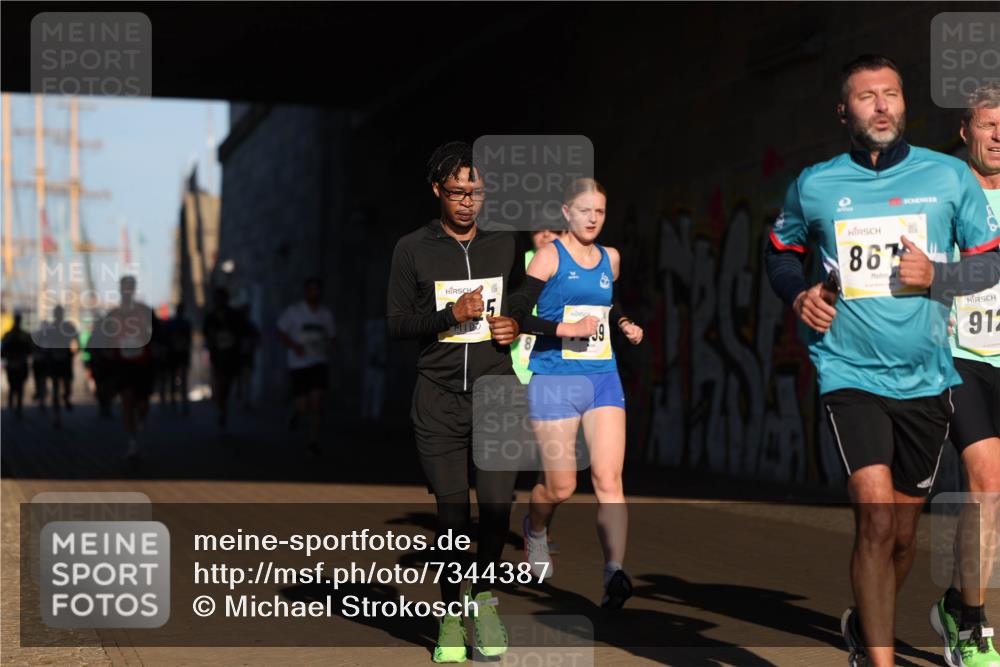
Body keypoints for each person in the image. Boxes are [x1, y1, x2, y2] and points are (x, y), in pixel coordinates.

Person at [764, 55, 1000, 667]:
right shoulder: (813, 184)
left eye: (890, 94)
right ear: (845, 110)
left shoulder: (949, 178)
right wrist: (799, 293)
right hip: (848, 373)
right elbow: (781, 250)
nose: (880, 105)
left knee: (900, 536)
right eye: (866, 96)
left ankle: (866, 626)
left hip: (926, 378)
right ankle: (878, 657)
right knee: (873, 519)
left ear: (904, 103)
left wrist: (939, 275)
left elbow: (989, 260)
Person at [386, 141, 526, 663]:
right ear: (437, 192)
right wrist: (450, 314)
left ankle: (484, 600)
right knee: (451, 519)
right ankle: (449, 614)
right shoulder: (412, 249)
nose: (467, 202)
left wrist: (517, 323)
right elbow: (397, 323)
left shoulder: (506, 244)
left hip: (496, 392)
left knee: (494, 511)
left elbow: (525, 300)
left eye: (476, 192)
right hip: (438, 398)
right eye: (457, 192)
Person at [508, 178, 644, 609]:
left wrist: (623, 324)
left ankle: (614, 573)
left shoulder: (612, 258)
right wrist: (564, 329)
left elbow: (607, 300)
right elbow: (515, 315)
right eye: (585, 210)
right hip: (554, 378)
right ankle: (536, 529)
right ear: (566, 212)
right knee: (562, 486)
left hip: (603, 377)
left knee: (609, 478)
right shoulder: (549, 256)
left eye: (600, 212)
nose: (592, 218)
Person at [929, 81, 1000, 667]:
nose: (998, 135)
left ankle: (956, 601)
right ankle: (974, 625)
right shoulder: (941, 188)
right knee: (986, 479)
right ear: (966, 130)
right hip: (960, 355)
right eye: (987, 123)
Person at [277, 277, 336, 455]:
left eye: (316, 290)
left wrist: (328, 347)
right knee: (303, 406)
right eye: (310, 290)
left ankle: (313, 441)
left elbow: (332, 336)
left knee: (317, 401)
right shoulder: (294, 312)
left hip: (318, 362)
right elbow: (279, 331)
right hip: (299, 364)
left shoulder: (325, 315)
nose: (314, 293)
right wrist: (294, 346)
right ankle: (295, 412)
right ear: (305, 292)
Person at [104, 275, 156, 459]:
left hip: (142, 364)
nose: (126, 291)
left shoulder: (144, 311)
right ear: (120, 290)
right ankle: (132, 442)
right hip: (122, 364)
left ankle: (141, 418)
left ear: (133, 289)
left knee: (142, 404)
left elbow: (157, 334)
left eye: (129, 287)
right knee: (126, 400)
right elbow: (105, 337)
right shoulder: (113, 314)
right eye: (123, 287)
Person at [202, 287, 244, 432]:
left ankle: (223, 404)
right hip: (217, 357)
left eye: (221, 298)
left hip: (231, 357)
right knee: (219, 384)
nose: (219, 302)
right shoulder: (211, 317)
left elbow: (241, 333)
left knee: (227, 384)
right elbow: (206, 334)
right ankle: (221, 408)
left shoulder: (234, 316)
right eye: (217, 299)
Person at [41, 305, 78, 428]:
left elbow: (76, 339)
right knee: (57, 388)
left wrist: (73, 352)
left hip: (61, 360)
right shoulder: (59, 327)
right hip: (57, 361)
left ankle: (65, 399)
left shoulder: (66, 326)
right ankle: (58, 415)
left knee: (64, 386)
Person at [1, 313, 33, 418]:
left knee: (13, 384)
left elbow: (3, 351)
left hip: (12, 364)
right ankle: (17, 407)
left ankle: (12, 404)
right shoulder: (25, 335)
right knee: (19, 386)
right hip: (21, 364)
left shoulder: (8, 334)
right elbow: (30, 350)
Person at [164, 302, 192, 414]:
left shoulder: (177, 323)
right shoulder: (182, 323)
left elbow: (188, 340)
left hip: (178, 355)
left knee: (176, 379)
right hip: (176, 355)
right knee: (176, 379)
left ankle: (176, 402)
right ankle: (177, 402)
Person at [236, 303, 259, 411]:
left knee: (246, 380)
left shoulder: (250, 326)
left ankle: (246, 401)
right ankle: (244, 401)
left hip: (247, 357)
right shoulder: (240, 326)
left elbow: (257, 340)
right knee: (242, 380)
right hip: (241, 357)